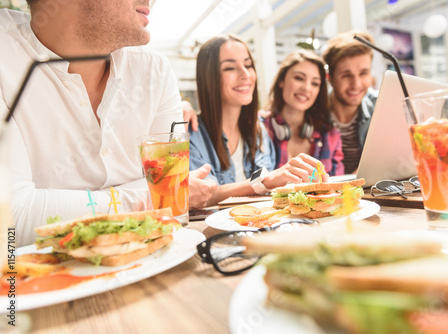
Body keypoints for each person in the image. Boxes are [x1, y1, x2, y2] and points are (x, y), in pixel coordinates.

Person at [0, 2, 216, 246]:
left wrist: (63, 205)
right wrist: (148, 197)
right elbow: (11, 221)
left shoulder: (154, 70)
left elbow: (172, 193)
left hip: (154, 260)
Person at [189, 34, 326, 206]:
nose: (245, 74)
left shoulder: (258, 131)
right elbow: (201, 195)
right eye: (230, 68)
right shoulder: (190, 134)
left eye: (248, 65)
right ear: (209, 77)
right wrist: (265, 181)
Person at [263, 50, 344, 176]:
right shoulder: (259, 128)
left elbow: (338, 187)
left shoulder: (330, 135)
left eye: (315, 83)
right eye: (299, 78)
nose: (306, 88)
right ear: (281, 81)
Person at [322, 30, 378, 174]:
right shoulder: (314, 111)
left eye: (363, 73)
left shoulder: (381, 105)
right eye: (346, 75)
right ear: (330, 78)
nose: (356, 84)